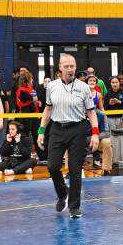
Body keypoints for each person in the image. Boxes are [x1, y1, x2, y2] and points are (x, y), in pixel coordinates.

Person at [37, 54, 99, 218]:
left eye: (72, 66)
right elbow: (48, 110)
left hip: (77, 129)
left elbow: (91, 113)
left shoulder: (84, 87)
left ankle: (74, 207)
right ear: (60, 67)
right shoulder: (52, 87)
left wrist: (95, 134)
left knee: (74, 169)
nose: (70, 69)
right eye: (67, 66)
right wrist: (41, 132)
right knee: (52, 166)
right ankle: (62, 192)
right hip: (57, 129)